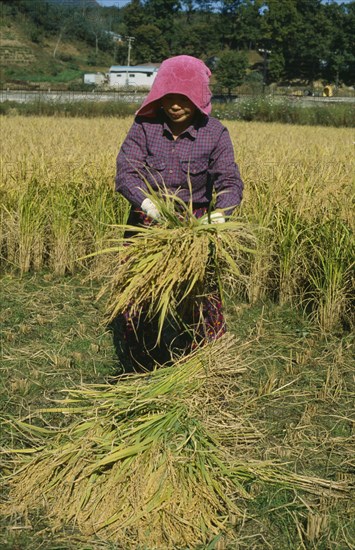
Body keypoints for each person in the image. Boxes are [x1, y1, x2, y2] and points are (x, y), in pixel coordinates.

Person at [115, 55, 244, 369]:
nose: (174, 104)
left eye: (184, 97)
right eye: (168, 96)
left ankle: (209, 359)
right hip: (147, 221)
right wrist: (147, 204)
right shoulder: (145, 127)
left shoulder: (214, 133)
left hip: (194, 226)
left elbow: (229, 181)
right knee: (137, 294)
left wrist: (220, 214)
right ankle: (140, 357)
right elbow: (126, 173)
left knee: (201, 294)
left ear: (199, 97)